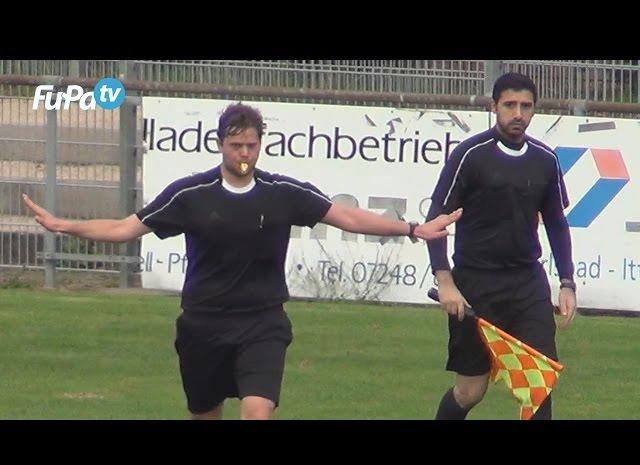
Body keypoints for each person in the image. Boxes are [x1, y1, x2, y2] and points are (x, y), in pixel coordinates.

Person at [23, 102, 461, 420]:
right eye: (236, 146)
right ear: (220, 144)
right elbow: (124, 228)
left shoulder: (282, 192)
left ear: (260, 143)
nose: (245, 155)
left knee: (256, 413)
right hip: (203, 323)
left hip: (262, 322)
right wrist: (65, 226)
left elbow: (344, 215)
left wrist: (411, 229)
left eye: (251, 145)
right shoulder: (190, 195)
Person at [424, 73, 577, 420]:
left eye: (526, 106)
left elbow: (555, 222)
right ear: (494, 107)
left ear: (535, 110)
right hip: (475, 286)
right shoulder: (471, 155)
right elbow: (436, 219)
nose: (518, 113)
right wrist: (445, 281)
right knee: (470, 391)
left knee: (539, 386)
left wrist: (567, 281)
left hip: (527, 285)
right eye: (510, 105)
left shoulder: (545, 159)